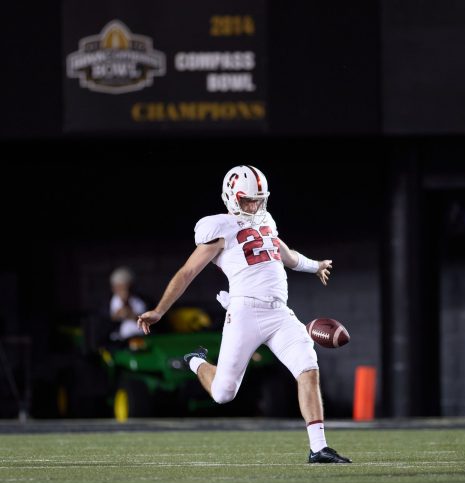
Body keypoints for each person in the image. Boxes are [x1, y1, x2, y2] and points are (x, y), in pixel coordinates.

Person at [137, 165, 351, 464]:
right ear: (230, 196)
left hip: (280, 313)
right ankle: (196, 361)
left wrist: (314, 266)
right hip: (244, 312)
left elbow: (285, 254)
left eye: (258, 199)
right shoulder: (219, 227)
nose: (253, 205)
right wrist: (160, 310)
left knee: (308, 369)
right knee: (224, 393)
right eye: (247, 200)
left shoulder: (266, 221)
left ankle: (318, 448)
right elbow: (187, 272)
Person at [109, 266, 147, 340]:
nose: (125, 291)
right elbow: (106, 321)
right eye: (120, 287)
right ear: (114, 288)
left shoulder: (140, 300)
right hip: (119, 341)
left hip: (141, 337)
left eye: (127, 287)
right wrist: (116, 315)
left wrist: (131, 314)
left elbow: (146, 320)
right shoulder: (108, 302)